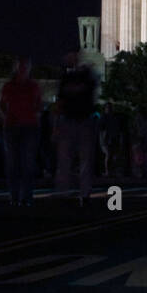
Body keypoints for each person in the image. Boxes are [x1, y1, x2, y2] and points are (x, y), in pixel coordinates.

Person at [54, 53, 98, 207]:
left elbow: (91, 90)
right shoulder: (66, 78)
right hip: (69, 121)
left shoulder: (87, 76)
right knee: (65, 159)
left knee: (84, 160)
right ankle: (65, 192)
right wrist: (56, 125)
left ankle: (84, 193)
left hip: (84, 121)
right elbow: (60, 101)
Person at [0, 57, 41, 206]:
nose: (23, 69)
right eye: (21, 66)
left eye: (25, 66)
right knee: (13, 164)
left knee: (27, 164)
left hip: (28, 127)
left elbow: (38, 106)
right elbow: (2, 105)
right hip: (13, 127)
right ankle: (15, 197)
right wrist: (6, 119)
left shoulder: (33, 86)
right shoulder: (9, 86)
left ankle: (25, 197)